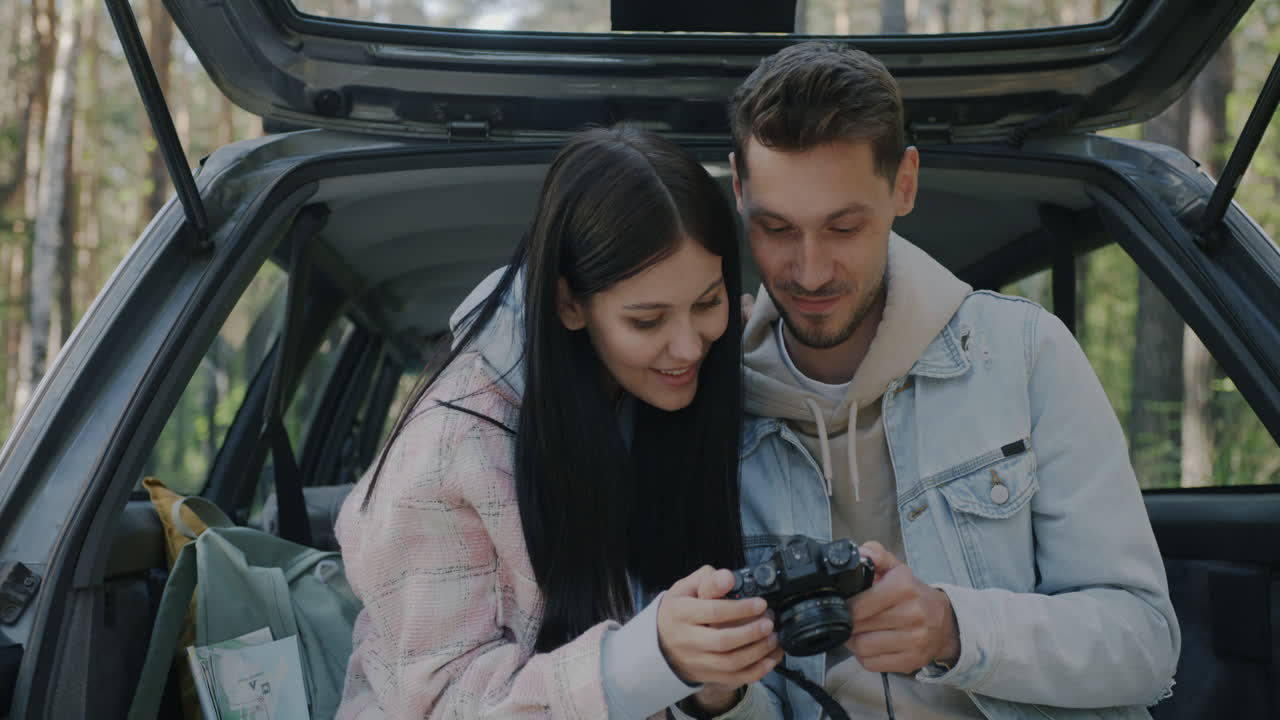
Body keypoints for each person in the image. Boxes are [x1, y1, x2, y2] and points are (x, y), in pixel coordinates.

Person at [725, 42, 1181, 718]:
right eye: (776, 228)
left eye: (844, 226)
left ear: (904, 184)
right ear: (738, 189)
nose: (810, 270)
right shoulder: (704, 404)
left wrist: (951, 627)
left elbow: (1145, 647)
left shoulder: (1026, 355)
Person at [334, 127, 783, 720]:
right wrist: (648, 660)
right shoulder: (448, 452)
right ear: (569, 303)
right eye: (647, 320)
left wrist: (713, 691)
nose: (688, 346)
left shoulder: (699, 397)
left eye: (707, 303)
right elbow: (439, 703)